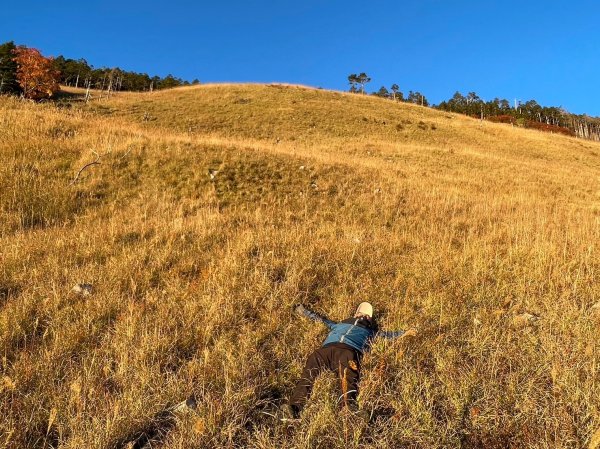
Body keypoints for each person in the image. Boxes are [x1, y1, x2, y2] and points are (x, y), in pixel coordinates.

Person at [281, 302, 416, 420]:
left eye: (367, 316)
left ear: (370, 320)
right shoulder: (338, 325)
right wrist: (303, 311)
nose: (363, 316)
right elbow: (320, 319)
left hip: (349, 351)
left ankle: (348, 407)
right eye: (361, 314)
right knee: (309, 372)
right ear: (355, 315)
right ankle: (295, 407)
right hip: (326, 350)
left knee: (350, 375)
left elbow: (390, 335)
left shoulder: (371, 332)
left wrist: (406, 332)